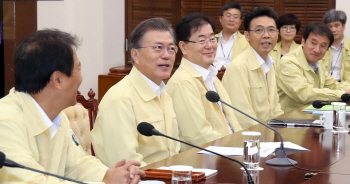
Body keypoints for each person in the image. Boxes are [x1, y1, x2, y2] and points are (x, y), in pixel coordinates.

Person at [0, 29, 144, 183]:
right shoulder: (5, 121)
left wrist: (114, 175)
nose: (81, 78)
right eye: (78, 69)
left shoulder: (57, 115)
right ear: (58, 80)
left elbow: (79, 165)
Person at [91, 18, 180, 167]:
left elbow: (174, 152)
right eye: (158, 47)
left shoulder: (164, 94)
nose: (166, 55)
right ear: (135, 55)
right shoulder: (120, 99)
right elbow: (127, 164)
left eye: (171, 48)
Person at [166, 13, 242, 152]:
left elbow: (232, 122)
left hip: (229, 153)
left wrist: (246, 144)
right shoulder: (183, 82)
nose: (209, 46)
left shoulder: (211, 76)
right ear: (183, 47)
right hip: (205, 161)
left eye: (212, 39)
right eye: (201, 41)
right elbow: (198, 135)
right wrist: (237, 150)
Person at [222, 6, 283, 129]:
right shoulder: (238, 67)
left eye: (271, 30)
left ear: (277, 34)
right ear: (247, 36)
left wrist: (283, 130)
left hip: (270, 137)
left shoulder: (270, 63)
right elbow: (243, 117)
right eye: (259, 30)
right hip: (249, 140)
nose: (266, 35)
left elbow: (275, 108)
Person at [276, 23, 350, 113]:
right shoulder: (288, 62)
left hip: (312, 117)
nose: (317, 50)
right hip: (288, 120)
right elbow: (304, 94)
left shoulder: (318, 63)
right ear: (303, 41)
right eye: (313, 43)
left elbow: (333, 85)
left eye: (323, 46)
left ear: (327, 49)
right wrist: (343, 94)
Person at [213, 2, 249, 70]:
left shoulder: (247, 41)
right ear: (220, 19)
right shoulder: (211, 40)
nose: (231, 20)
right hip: (213, 79)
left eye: (235, 17)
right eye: (228, 16)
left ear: (240, 21)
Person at [321, 9, 350, 82]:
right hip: (324, 86)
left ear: (343, 26)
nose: (333, 29)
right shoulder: (320, 47)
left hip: (346, 86)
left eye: (337, 25)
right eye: (330, 26)